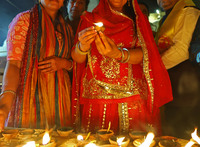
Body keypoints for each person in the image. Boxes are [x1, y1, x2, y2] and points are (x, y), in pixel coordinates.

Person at [71, 0, 172, 135]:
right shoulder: (90, 19)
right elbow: (77, 59)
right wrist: (82, 46)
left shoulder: (138, 20)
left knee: (134, 144)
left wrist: (118, 54)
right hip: (98, 98)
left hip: (132, 97)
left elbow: (147, 55)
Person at [0, 0, 73, 130]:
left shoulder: (66, 27)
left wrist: (63, 63)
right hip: (31, 98)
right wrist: (5, 105)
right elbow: (14, 64)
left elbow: (72, 64)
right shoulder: (25, 20)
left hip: (60, 98)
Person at [156, 0, 200, 139]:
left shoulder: (188, 10)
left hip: (186, 85)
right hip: (171, 82)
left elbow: (181, 51)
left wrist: (152, 68)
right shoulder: (166, 16)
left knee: (184, 133)